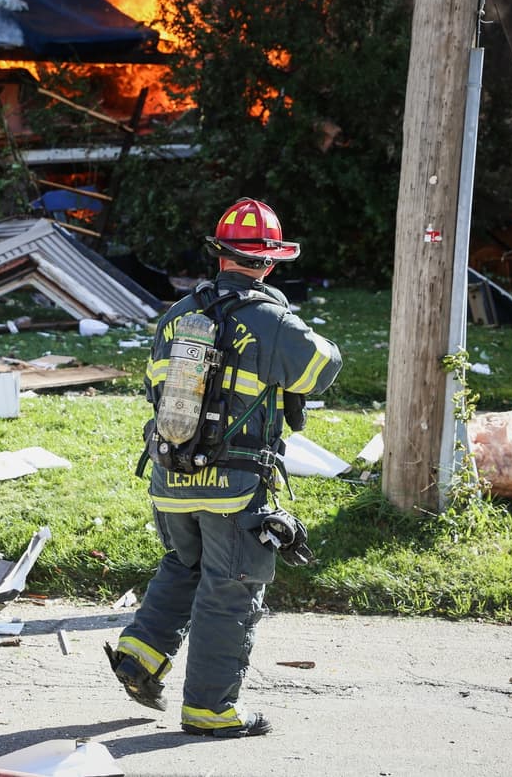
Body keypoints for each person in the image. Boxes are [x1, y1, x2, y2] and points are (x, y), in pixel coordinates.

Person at [105, 197, 342, 738]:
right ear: (270, 262)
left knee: (184, 565)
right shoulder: (270, 319)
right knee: (231, 590)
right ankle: (210, 710)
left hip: (171, 478)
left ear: (220, 256)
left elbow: (154, 389)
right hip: (234, 486)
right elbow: (321, 369)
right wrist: (287, 322)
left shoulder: (177, 316)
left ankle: (139, 658)